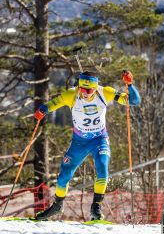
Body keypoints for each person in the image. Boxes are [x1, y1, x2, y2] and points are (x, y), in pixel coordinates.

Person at [34, 70, 141, 220]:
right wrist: (43, 110)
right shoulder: (72, 94)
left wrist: (129, 84)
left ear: (95, 87)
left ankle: (96, 207)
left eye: (88, 90)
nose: (84, 93)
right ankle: (57, 206)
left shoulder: (105, 92)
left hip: (99, 139)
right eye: (82, 88)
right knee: (64, 174)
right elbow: (54, 103)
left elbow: (134, 101)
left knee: (103, 167)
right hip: (79, 142)